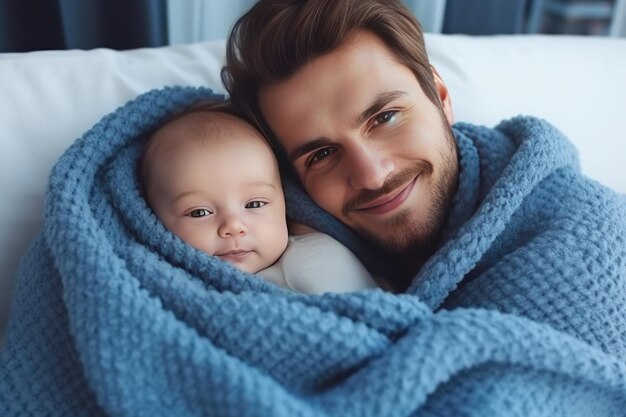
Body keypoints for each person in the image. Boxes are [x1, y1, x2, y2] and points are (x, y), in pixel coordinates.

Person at [221, 0, 626, 355]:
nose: (371, 174)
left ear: (441, 98)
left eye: (386, 117)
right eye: (322, 154)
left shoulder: (589, 236)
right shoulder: (269, 239)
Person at [141, 100, 380, 294]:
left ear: (284, 204)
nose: (233, 227)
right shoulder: (159, 282)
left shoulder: (313, 258)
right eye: (199, 212)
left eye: (254, 204)